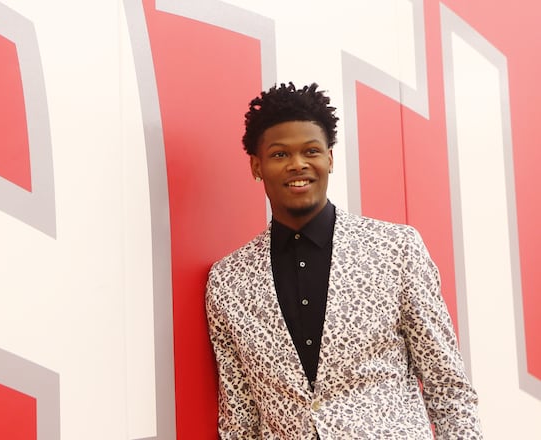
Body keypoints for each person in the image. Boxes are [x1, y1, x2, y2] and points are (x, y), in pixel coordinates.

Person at [205, 82, 482, 439]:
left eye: (311, 151)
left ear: (330, 159)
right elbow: (238, 417)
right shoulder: (229, 281)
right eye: (279, 155)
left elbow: (449, 388)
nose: (298, 164)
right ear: (256, 166)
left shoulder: (395, 249)